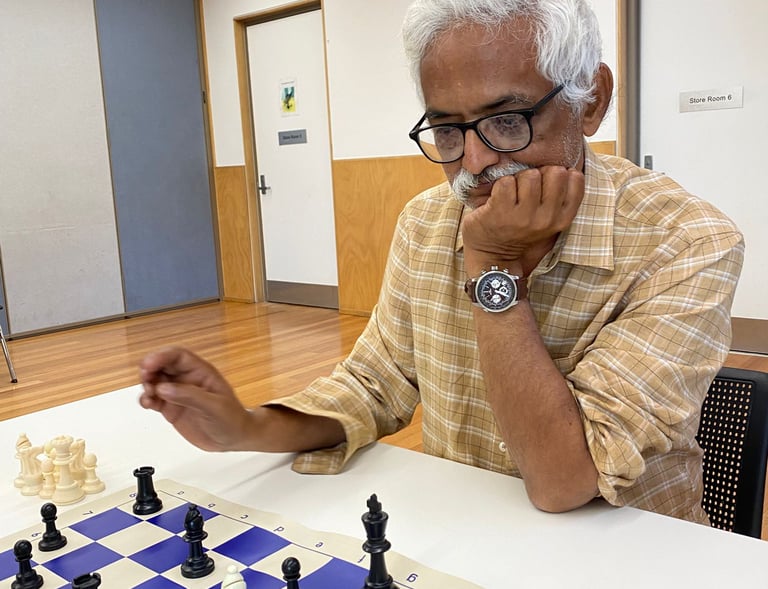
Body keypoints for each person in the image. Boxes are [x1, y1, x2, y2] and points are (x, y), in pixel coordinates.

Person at [139, 0, 743, 524]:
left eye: (507, 120)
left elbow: (564, 481)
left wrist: (494, 265)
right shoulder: (426, 221)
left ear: (592, 100)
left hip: (631, 552)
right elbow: (374, 383)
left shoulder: (687, 241)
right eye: (448, 131)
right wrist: (246, 428)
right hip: (465, 531)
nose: (475, 163)